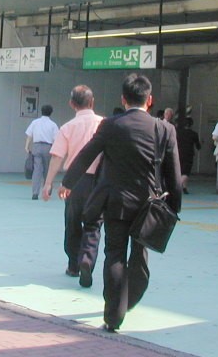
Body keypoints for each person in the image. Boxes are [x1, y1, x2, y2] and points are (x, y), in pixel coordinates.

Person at [58, 74, 181, 332]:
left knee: (114, 255)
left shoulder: (111, 125)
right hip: (149, 205)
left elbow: (86, 154)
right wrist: (174, 208)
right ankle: (131, 298)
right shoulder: (164, 129)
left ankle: (113, 316)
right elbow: (173, 174)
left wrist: (68, 182)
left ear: (123, 99)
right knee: (140, 255)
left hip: (115, 202)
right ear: (150, 100)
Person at [42, 85, 103, 287]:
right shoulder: (104, 124)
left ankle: (73, 265)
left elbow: (57, 157)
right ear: (92, 102)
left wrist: (48, 183)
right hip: (98, 182)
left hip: (73, 182)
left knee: (73, 222)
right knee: (93, 224)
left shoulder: (67, 127)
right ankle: (88, 259)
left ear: (71, 104)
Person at [24, 104, 58, 200]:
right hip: (48, 147)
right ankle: (48, 191)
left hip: (36, 146)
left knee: (37, 170)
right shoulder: (53, 124)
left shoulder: (35, 122)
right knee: (48, 169)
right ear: (51, 113)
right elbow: (56, 139)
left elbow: (29, 135)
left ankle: (35, 193)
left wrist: (27, 146)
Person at [175, 116, 200, 195]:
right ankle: (178, 186)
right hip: (188, 154)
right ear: (191, 124)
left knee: (180, 170)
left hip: (178, 153)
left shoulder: (178, 133)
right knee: (186, 173)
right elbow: (198, 146)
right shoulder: (194, 134)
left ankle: (184, 187)